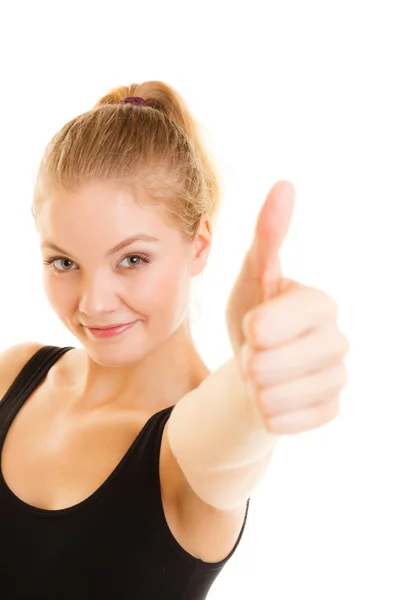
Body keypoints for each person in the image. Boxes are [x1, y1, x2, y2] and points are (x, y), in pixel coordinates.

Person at [0, 83, 252, 599]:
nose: (94, 303)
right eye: (64, 262)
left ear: (198, 244)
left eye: (131, 259)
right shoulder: (14, 374)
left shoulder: (192, 443)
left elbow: (236, 439)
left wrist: (261, 382)